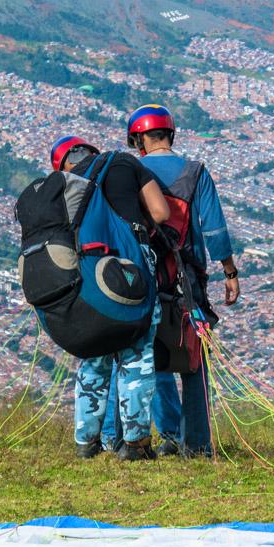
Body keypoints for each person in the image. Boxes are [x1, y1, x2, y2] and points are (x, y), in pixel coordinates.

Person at [126, 104, 240, 457]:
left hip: (143, 278)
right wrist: (230, 271)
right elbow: (215, 228)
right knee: (194, 359)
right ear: (170, 135)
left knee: (153, 355)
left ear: (139, 140)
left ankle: (170, 435)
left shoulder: (130, 171)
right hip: (188, 280)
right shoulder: (195, 173)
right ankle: (198, 444)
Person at [50, 134, 170, 461]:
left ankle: (86, 443)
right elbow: (160, 213)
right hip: (129, 270)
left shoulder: (63, 185)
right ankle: (135, 444)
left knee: (94, 357)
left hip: (86, 275)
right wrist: (134, 229)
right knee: (137, 353)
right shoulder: (123, 162)